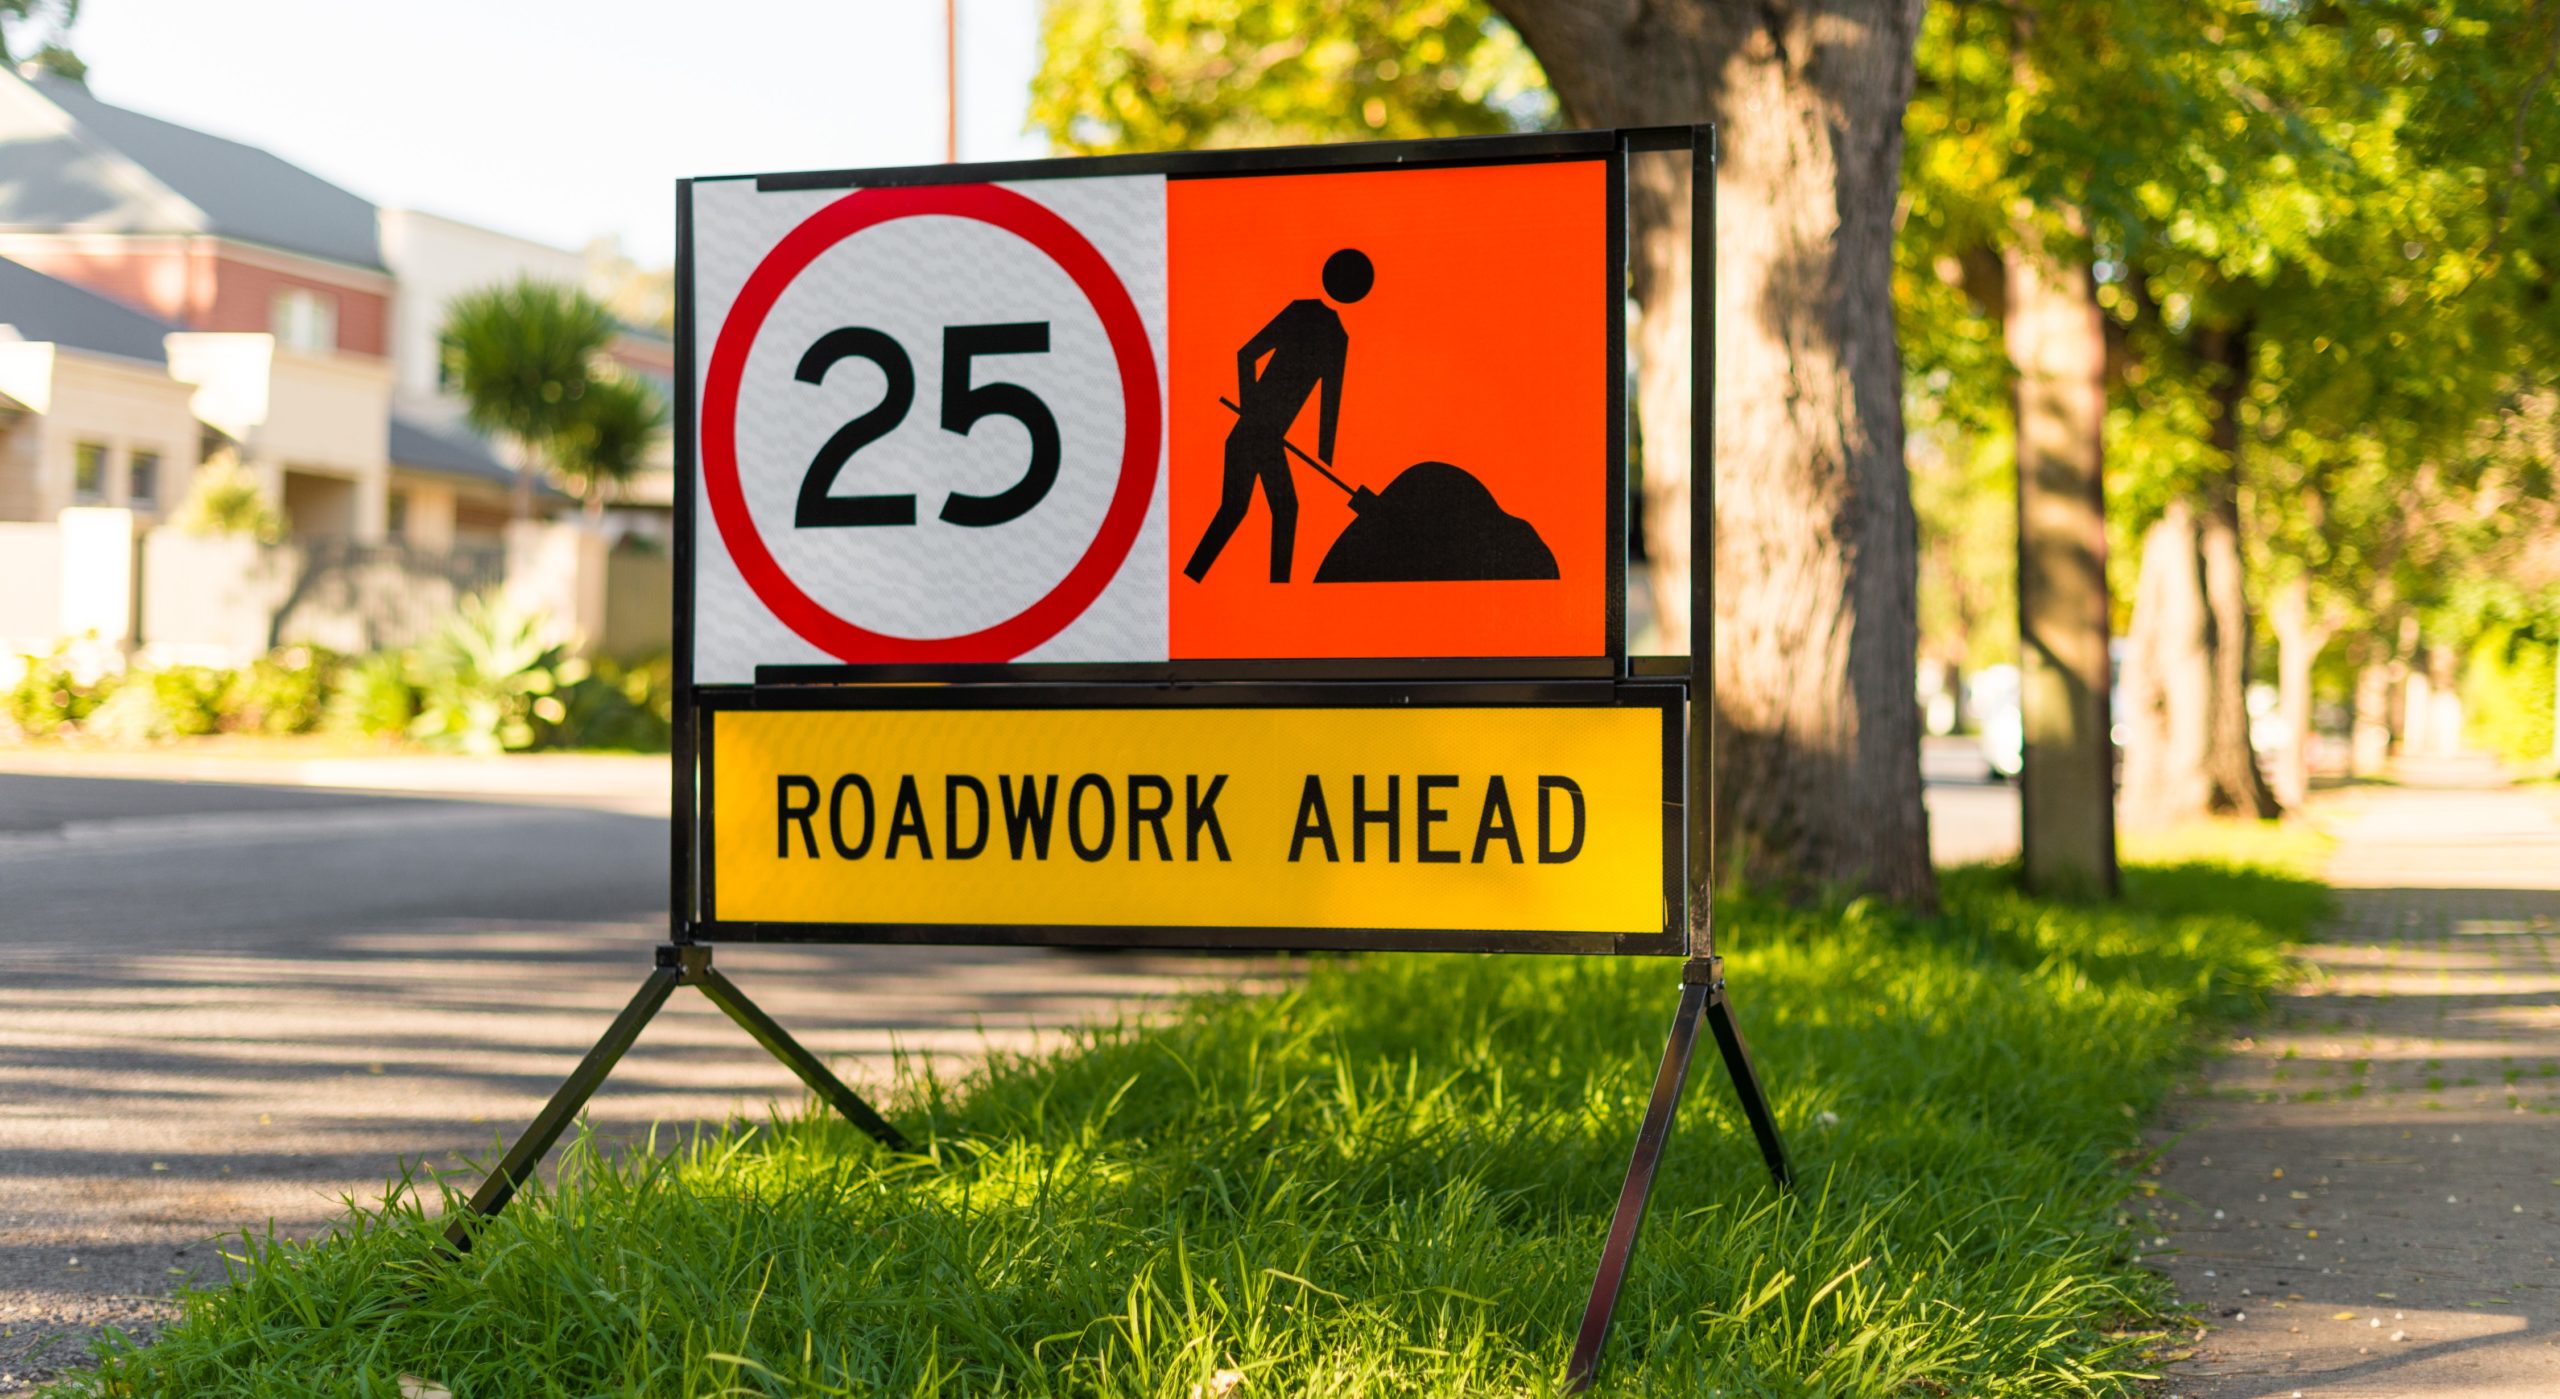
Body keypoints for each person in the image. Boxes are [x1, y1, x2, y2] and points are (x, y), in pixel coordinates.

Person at [1183, 248, 1373, 583]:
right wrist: (1254, 410)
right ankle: (1268, 589)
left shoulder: (1326, 330)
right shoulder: (1310, 319)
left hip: (1261, 435)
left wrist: (1324, 454)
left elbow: (1328, 402)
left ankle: (1203, 577)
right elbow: (1247, 354)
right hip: (1255, 434)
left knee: (1246, 511)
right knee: (1262, 511)